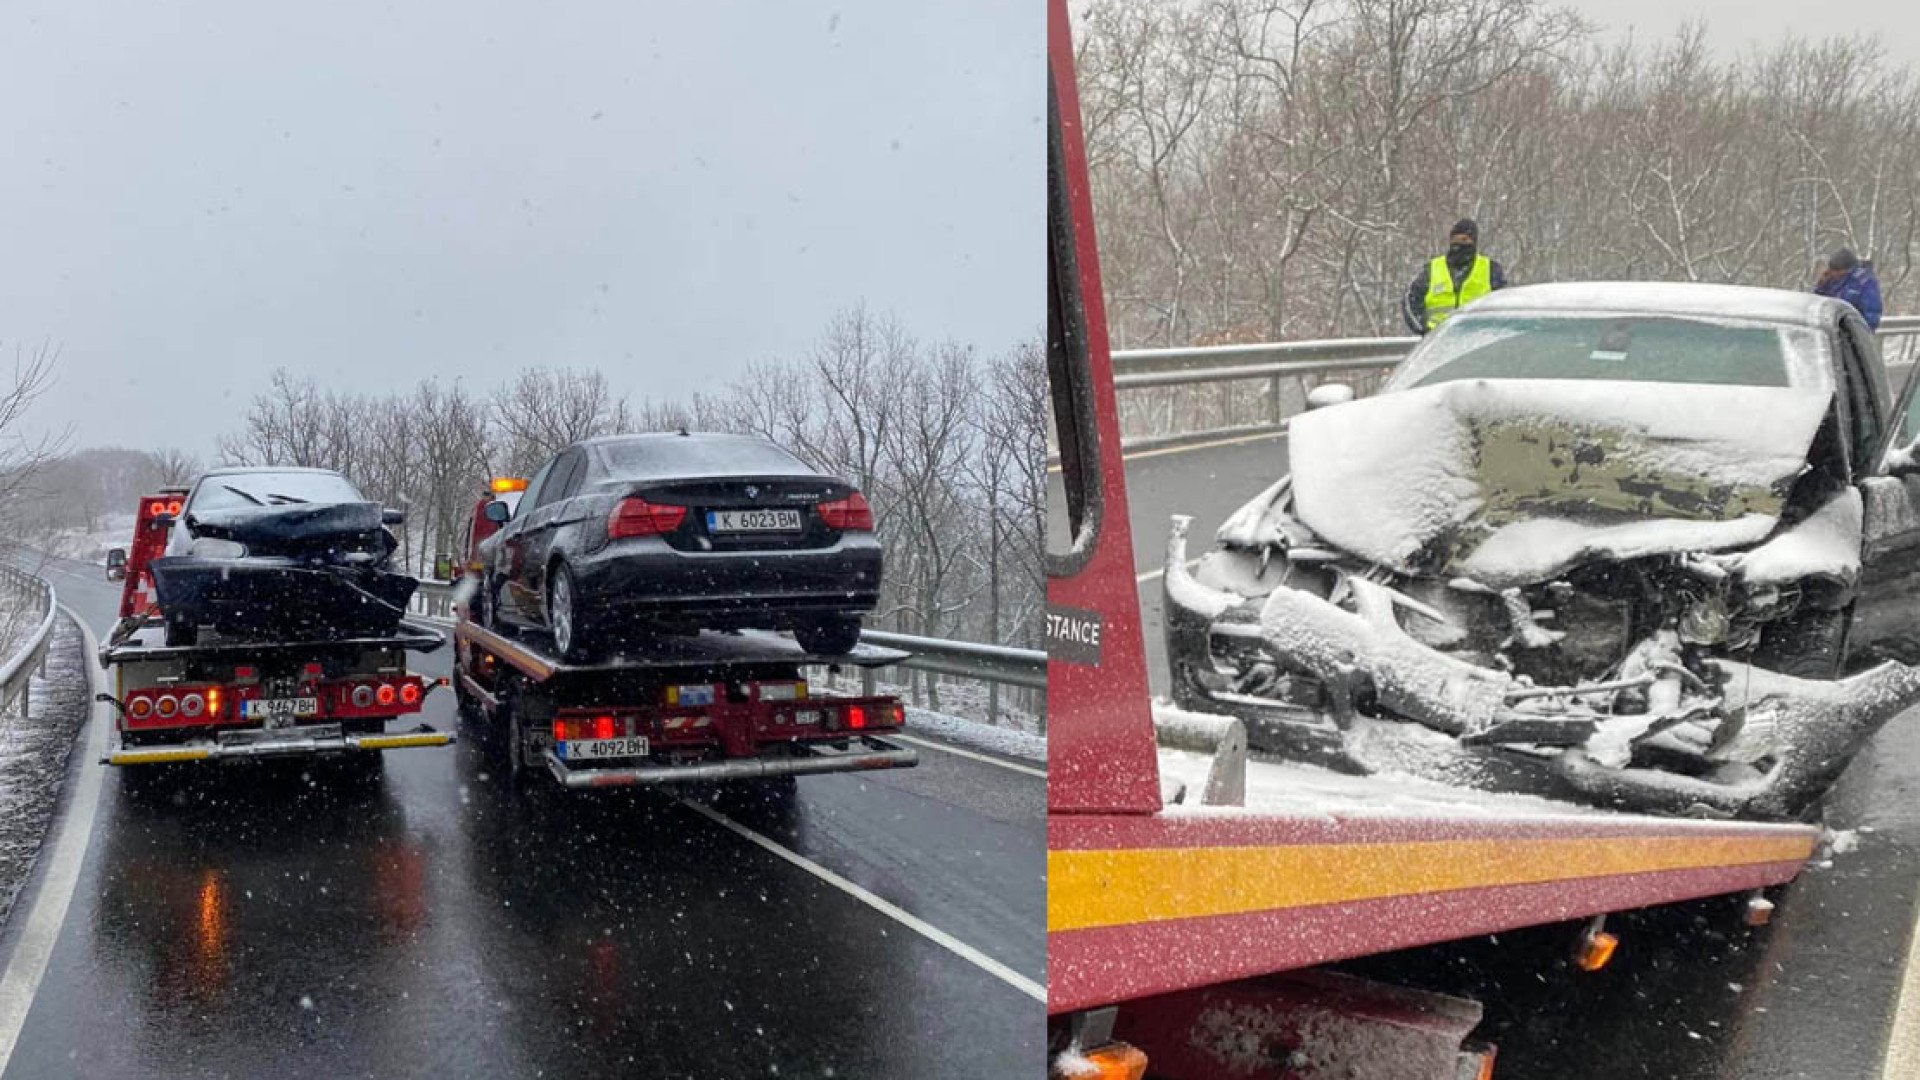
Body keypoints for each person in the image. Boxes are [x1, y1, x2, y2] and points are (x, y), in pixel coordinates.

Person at [1402, 218, 1508, 334]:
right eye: (1455, 239)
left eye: (1464, 239)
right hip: (1438, 339)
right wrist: (1423, 329)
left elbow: (1504, 304)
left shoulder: (1490, 269)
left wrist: (1492, 331)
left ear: (1474, 241)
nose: (1459, 244)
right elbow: (1410, 300)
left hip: (1477, 339)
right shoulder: (1432, 269)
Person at [1814, 248, 1883, 329]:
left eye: (1837, 271)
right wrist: (1822, 285)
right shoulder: (1831, 280)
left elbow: (1872, 312)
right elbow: (1819, 303)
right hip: (1831, 330)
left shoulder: (1864, 282)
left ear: (1847, 269)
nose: (1834, 274)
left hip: (1853, 333)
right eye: (1832, 270)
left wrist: (1860, 333)